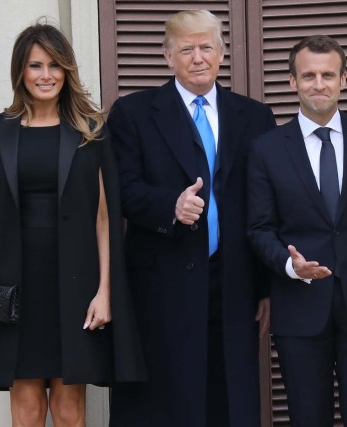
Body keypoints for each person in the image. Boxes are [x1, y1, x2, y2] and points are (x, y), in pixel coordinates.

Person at [0, 22, 145, 426]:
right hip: (15, 281)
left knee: (69, 409)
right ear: (21, 72)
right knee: (28, 408)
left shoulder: (91, 131)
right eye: (36, 66)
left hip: (76, 282)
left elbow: (104, 219)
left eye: (55, 65)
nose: (46, 75)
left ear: (67, 71)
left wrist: (106, 292)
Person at [106, 10, 276, 427]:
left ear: (222, 52)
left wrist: (265, 287)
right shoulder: (133, 113)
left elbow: (265, 208)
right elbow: (120, 189)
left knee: (229, 398)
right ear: (168, 56)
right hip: (160, 282)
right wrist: (171, 206)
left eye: (206, 47)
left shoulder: (254, 117)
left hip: (233, 282)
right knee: (166, 402)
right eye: (186, 49)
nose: (198, 57)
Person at [247, 35, 347, 427]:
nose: (318, 84)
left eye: (328, 75)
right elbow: (258, 228)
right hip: (299, 306)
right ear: (292, 82)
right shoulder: (267, 148)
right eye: (308, 75)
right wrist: (291, 268)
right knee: (308, 418)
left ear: (344, 80)